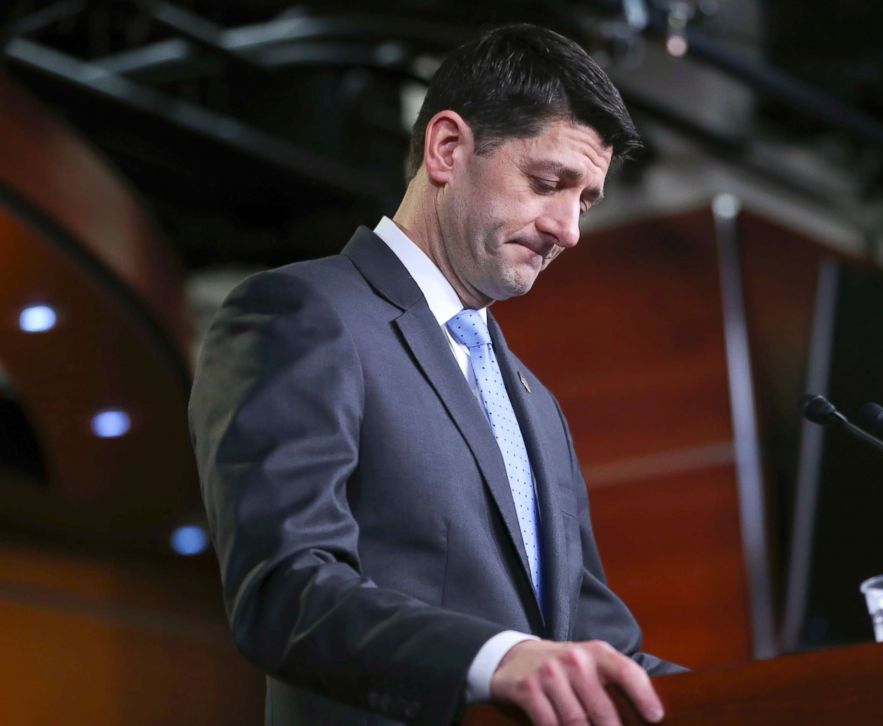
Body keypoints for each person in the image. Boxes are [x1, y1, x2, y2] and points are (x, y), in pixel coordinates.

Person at [189, 23, 684, 726]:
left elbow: (600, 650)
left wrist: (807, 697)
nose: (569, 228)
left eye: (585, 200)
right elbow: (285, 591)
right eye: (549, 183)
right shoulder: (301, 313)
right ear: (448, 148)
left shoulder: (536, 403)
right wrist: (494, 658)